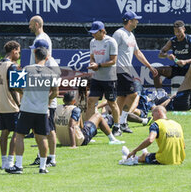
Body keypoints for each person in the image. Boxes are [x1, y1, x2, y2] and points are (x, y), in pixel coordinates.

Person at [6, 47, 58, 174]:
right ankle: (42, 167)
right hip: (42, 110)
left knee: (20, 136)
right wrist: (47, 98)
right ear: (46, 58)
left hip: (27, 108)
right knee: (42, 138)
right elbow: (55, 92)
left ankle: (18, 165)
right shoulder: (51, 73)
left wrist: (24, 91)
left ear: (35, 56)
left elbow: (14, 86)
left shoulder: (27, 69)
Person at [112, 11, 158, 134]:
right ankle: (122, 122)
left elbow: (137, 53)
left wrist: (149, 66)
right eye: (135, 19)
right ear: (129, 21)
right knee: (133, 94)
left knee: (122, 97)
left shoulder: (131, 35)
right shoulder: (119, 33)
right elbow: (111, 49)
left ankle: (117, 124)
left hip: (126, 70)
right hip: (119, 69)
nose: (137, 21)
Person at [85, 21, 122, 137]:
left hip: (109, 78)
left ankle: (117, 126)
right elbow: (92, 57)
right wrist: (92, 64)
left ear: (102, 31)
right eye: (92, 33)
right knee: (91, 101)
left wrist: (99, 66)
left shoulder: (111, 42)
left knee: (112, 103)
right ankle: (90, 128)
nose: (93, 35)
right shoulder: (93, 42)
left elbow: (113, 60)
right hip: (97, 77)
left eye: (95, 33)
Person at [29, 39, 61, 167]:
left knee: (50, 130)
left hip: (48, 103)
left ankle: (52, 158)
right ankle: (40, 156)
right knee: (39, 131)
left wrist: (47, 102)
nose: (33, 51)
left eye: (35, 49)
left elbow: (54, 88)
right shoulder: (43, 63)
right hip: (41, 102)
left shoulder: (50, 64)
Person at [55, 91, 124, 147]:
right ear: (73, 101)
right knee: (98, 116)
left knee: (88, 123)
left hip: (63, 141)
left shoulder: (58, 108)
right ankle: (112, 139)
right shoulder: (75, 109)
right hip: (78, 141)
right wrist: (73, 145)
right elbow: (71, 126)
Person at [120, 106, 185, 165]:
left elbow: (150, 140)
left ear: (159, 112)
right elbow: (183, 146)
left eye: (153, 115)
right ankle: (141, 153)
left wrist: (135, 150)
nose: (153, 118)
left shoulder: (156, 124)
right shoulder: (177, 124)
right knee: (148, 155)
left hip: (165, 160)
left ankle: (131, 158)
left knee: (144, 157)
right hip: (180, 159)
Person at [154, 20, 191, 105]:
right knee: (156, 71)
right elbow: (160, 53)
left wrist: (185, 61)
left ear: (184, 29)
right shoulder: (172, 40)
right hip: (177, 67)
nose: (177, 34)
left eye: (179, 31)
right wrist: (167, 56)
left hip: (189, 67)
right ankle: (160, 94)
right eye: (175, 32)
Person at [0, 40, 21, 169]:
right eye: (18, 52)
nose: (19, 55)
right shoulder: (12, 66)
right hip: (11, 105)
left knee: (4, 133)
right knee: (17, 133)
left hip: (0, 105)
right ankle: (11, 161)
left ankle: (3, 161)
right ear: (14, 51)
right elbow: (14, 87)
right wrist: (19, 105)